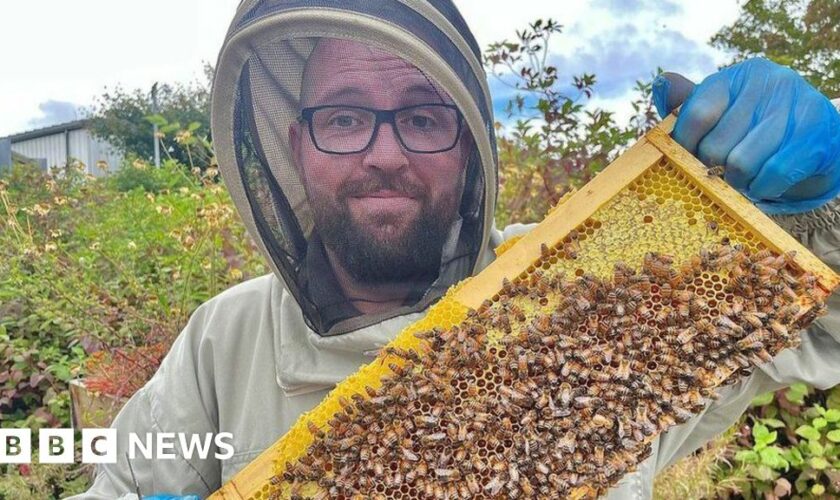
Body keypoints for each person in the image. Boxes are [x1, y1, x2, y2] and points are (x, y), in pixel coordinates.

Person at [71, 1, 840, 498]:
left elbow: (820, 324)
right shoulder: (222, 338)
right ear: (295, 146)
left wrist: (824, 209)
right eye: (344, 119)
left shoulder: (583, 295)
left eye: (422, 117)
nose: (382, 155)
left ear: (469, 146)